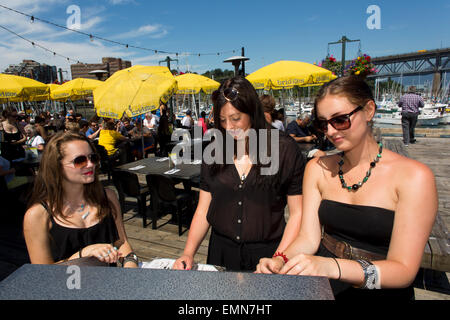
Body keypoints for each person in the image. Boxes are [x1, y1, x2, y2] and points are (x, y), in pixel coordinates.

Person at [256, 76, 437, 300]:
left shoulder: (414, 177)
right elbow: (309, 238)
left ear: (369, 110)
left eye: (340, 120)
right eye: (323, 124)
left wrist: (333, 267)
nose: (330, 131)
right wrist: (280, 259)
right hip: (325, 286)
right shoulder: (317, 168)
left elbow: (403, 271)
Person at [173, 76, 306, 272]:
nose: (229, 127)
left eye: (236, 119)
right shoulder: (214, 150)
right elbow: (203, 209)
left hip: (269, 254)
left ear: (253, 112)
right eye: (223, 120)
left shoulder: (285, 149)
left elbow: (298, 213)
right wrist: (188, 253)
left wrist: (280, 257)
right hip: (221, 251)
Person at [23, 131, 138, 267]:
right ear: (57, 166)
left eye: (93, 158)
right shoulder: (37, 215)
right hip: (67, 287)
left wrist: (130, 264)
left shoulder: (107, 197)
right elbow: (41, 273)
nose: (90, 165)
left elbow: (122, 242)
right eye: (80, 161)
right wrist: (82, 254)